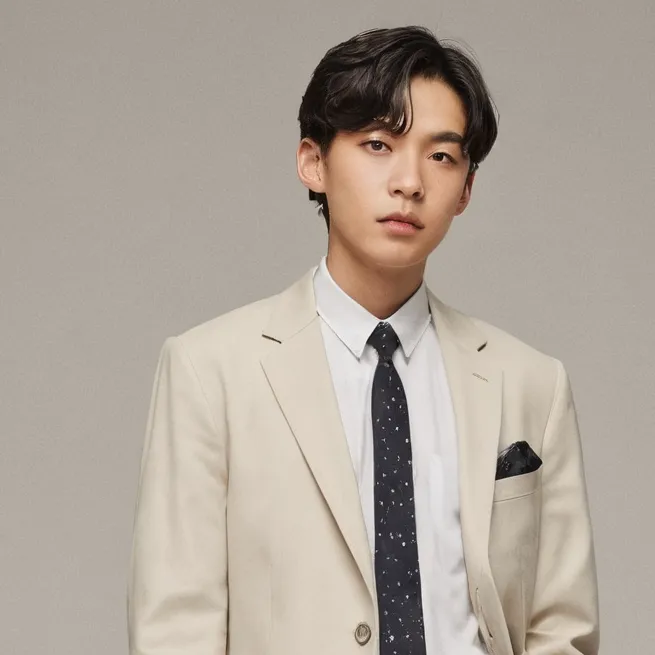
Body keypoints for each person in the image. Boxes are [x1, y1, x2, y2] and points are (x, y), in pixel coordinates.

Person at [127, 25, 599, 655]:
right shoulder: (209, 372)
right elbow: (175, 632)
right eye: (379, 144)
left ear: (466, 188)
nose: (409, 182)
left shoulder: (532, 384)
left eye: (441, 156)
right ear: (313, 162)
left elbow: (562, 628)